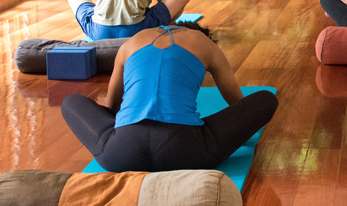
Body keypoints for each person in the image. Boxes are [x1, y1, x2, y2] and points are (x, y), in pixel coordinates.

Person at [61, 23, 278, 172]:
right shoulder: (203, 42)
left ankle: (123, 135)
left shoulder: (132, 43)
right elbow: (236, 101)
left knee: (71, 101)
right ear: (197, 31)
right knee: (266, 99)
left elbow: (111, 107)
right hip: (188, 152)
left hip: (120, 154)